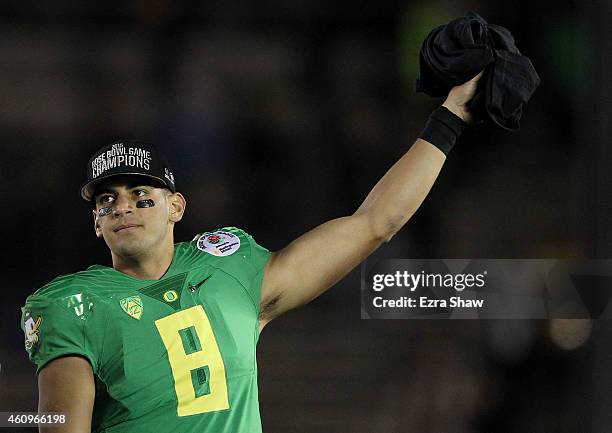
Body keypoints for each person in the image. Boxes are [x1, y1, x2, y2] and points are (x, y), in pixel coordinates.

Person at [21, 73, 482, 433]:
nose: (123, 206)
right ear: (96, 223)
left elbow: (374, 223)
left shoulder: (231, 269)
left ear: (176, 206)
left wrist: (452, 113)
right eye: (107, 200)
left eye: (141, 194)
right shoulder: (73, 305)